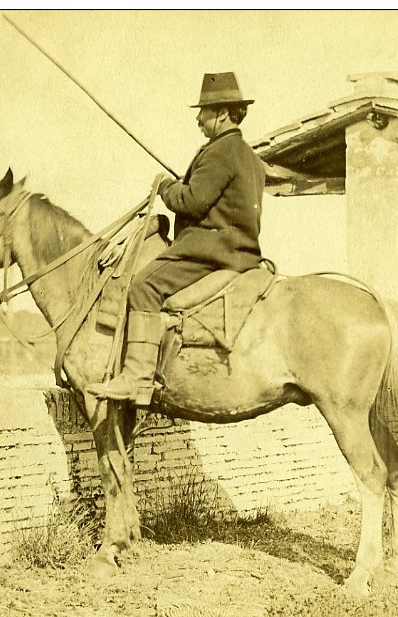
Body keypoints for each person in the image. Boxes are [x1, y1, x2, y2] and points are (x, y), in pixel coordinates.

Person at [88, 72, 267, 404]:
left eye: (204, 111)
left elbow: (192, 201)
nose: (199, 118)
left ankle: (137, 379)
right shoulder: (251, 157)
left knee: (143, 285)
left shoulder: (220, 151)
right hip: (244, 253)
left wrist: (166, 186)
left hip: (210, 253)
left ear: (224, 113)